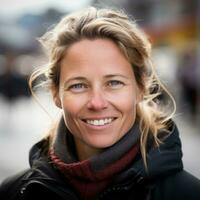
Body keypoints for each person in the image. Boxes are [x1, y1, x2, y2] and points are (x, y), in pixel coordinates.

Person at [0, 7, 200, 200]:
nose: (97, 103)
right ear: (56, 93)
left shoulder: (188, 194)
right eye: (78, 85)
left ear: (141, 88)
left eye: (114, 83)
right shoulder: (12, 193)